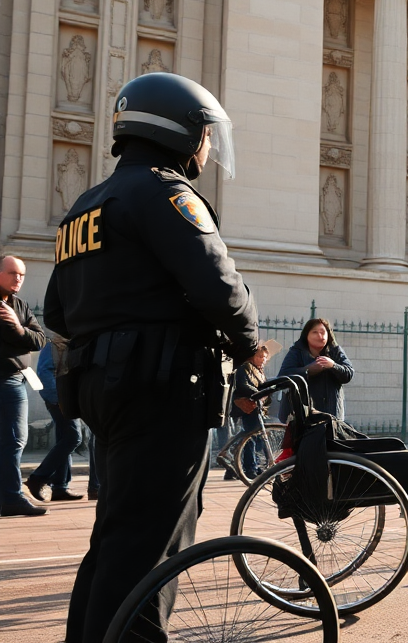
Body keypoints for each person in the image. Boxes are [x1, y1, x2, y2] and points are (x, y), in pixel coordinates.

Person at [45, 72, 258, 641]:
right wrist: (248, 345)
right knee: (153, 544)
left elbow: (57, 313)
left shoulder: (85, 208)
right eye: (206, 135)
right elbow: (221, 287)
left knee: (115, 536)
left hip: (102, 387)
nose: (209, 147)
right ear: (181, 131)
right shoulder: (167, 193)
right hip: (162, 386)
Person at [0, 256, 46, 518]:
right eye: (13, 273)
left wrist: (17, 329)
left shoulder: (20, 305)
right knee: (16, 439)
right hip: (6, 379)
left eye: (22, 275)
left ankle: (9, 497)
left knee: (12, 440)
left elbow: (39, 339)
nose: (18, 278)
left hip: (17, 378)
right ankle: (12, 498)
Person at [26, 339, 80, 506]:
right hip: (59, 399)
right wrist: (58, 399)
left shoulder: (70, 342)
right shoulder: (55, 344)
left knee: (64, 438)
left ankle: (60, 486)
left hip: (67, 398)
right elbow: (43, 371)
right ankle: (38, 477)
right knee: (73, 437)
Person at [278, 318, 353, 421]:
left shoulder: (335, 351)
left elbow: (348, 373)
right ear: (307, 335)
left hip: (331, 415)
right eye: (315, 332)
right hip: (301, 416)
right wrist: (308, 370)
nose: (320, 336)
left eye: (323, 332)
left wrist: (333, 366)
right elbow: (283, 376)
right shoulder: (296, 351)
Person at [227, 343, 275, 480]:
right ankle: (249, 468)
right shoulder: (245, 367)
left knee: (253, 437)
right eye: (259, 356)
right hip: (246, 407)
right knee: (250, 438)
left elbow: (262, 385)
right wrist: (259, 393)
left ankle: (242, 466)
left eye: (265, 357)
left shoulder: (259, 370)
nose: (262, 359)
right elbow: (243, 385)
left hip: (255, 408)